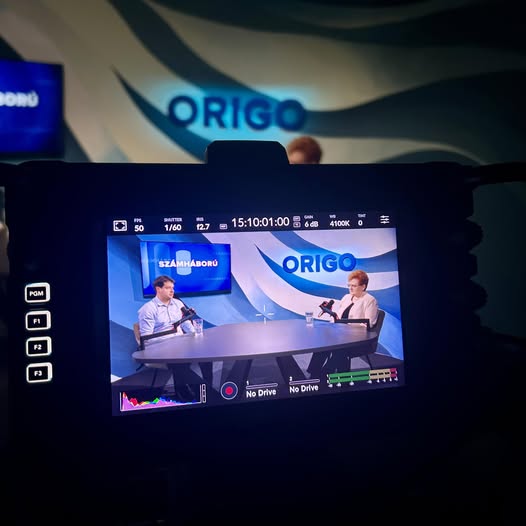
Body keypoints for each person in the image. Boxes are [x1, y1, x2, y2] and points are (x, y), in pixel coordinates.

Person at [138, 275, 213, 399]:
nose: (172, 291)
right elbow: (147, 339)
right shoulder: (147, 309)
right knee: (179, 362)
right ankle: (190, 392)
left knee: (206, 355)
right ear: (158, 289)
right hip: (161, 347)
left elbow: (186, 324)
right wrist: (170, 341)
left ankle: (208, 388)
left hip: (181, 343)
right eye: (168, 288)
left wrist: (196, 337)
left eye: (172, 288)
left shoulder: (178, 304)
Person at [307, 269, 379, 377]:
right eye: (349, 285)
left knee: (339, 349)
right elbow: (338, 317)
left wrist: (347, 331)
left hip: (358, 338)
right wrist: (331, 325)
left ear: (363, 286)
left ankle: (325, 374)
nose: (350, 288)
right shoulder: (346, 297)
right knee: (323, 343)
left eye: (354, 286)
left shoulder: (370, 300)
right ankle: (314, 373)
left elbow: (369, 324)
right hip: (340, 334)